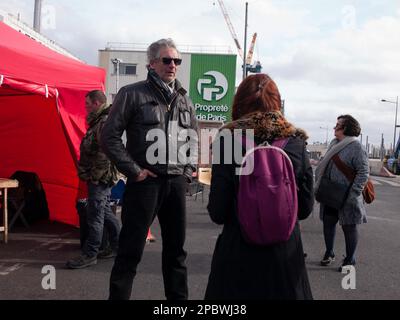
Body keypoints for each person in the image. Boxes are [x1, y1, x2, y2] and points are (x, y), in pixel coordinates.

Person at [101, 38, 198, 300]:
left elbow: (193, 140)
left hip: (175, 184)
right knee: (130, 252)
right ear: (152, 63)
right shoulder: (132, 94)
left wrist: (187, 174)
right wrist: (135, 170)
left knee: (176, 253)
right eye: (167, 60)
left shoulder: (184, 100)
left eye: (177, 61)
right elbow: (108, 136)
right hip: (144, 184)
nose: (173, 65)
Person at [204, 74, 314, 300]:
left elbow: (218, 211)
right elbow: (304, 208)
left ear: (240, 102)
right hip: (285, 256)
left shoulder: (229, 140)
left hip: (239, 253)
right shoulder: (295, 142)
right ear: (277, 102)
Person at [66, 90, 121, 269]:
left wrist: (95, 178)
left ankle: (90, 254)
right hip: (100, 176)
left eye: (88, 104)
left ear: (97, 103)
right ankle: (117, 246)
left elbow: (105, 153)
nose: (86, 107)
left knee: (95, 215)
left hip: (100, 178)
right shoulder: (100, 121)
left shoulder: (103, 122)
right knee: (104, 211)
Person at [315, 115, 369, 271]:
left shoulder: (356, 147)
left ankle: (350, 259)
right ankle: (329, 252)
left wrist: (353, 194)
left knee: (349, 228)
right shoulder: (333, 144)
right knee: (328, 224)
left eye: (337, 125)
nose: (334, 127)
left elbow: (363, 172)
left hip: (347, 196)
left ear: (345, 128)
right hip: (330, 193)